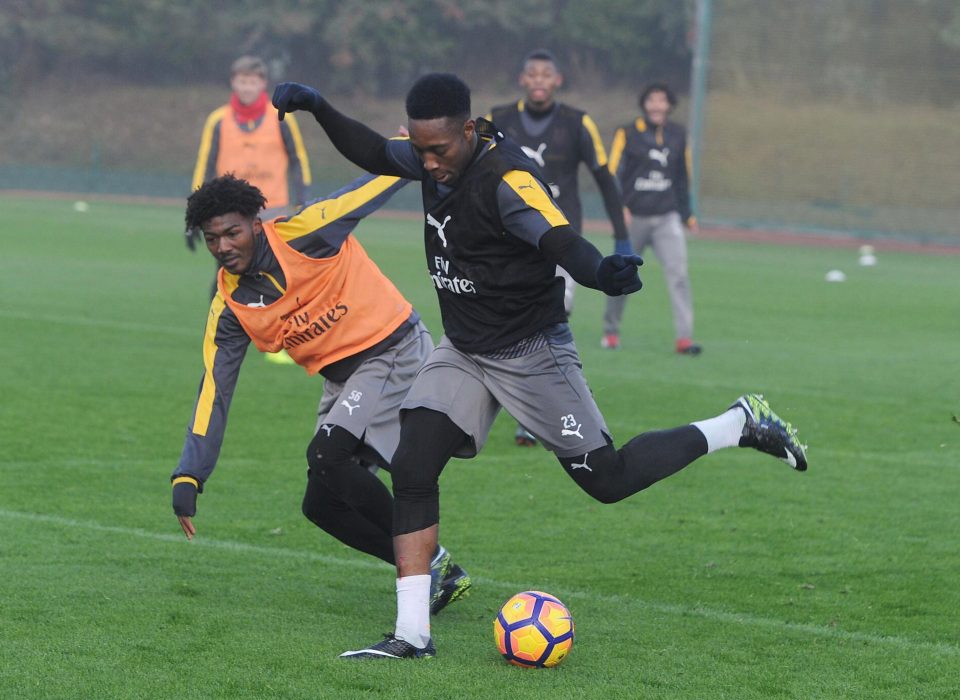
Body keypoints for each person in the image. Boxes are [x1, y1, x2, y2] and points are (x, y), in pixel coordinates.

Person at [272, 73, 808, 660]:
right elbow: (374, 150)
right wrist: (320, 107)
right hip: (464, 350)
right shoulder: (434, 157)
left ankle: (738, 422)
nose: (428, 163)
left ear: (471, 130)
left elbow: (560, 241)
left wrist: (602, 273)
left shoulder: (507, 179)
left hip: (531, 352)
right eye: (420, 151)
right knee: (412, 466)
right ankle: (411, 636)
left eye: (439, 150)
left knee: (608, 480)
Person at [170, 173, 471, 616]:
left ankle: (429, 566)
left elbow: (360, 194)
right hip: (344, 379)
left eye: (231, 232)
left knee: (327, 455)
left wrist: (410, 153)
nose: (223, 246)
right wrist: (190, 472)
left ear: (256, 223)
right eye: (212, 238)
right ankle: (433, 569)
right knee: (321, 504)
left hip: (392, 349)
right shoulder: (230, 304)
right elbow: (214, 387)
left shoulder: (304, 234)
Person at [488, 49, 630, 447]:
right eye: (531, 73)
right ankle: (522, 401)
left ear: (557, 81)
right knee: (507, 319)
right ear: (522, 79)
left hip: (559, 239)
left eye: (545, 74)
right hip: (507, 241)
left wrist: (621, 235)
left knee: (552, 315)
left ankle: (534, 413)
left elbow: (604, 177)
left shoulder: (576, 122)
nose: (538, 79)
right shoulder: (499, 120)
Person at [188, 55, 313, 365]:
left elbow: (298, 159)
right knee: (224, 272)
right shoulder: (218, 120)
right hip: (228, 212)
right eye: (241, 80)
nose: (246, 86)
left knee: (279, 275)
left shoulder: (281, 117)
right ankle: (220, 334)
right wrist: (194, 213)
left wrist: (303, 202)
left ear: (262, 84)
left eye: (252, 81)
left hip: (273, 209)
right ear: (234, 82)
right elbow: (205, 163)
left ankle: (283, 339)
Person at [601, 81, 701, 355]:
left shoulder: (679, 134)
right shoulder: (627, 133)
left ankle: (684, 339)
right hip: (634, 218)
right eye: (652, 100)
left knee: (679, 274)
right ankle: (610, 331)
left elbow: (683, 176)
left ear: (669, 105)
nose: (657, 105)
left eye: (662, 100)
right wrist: (619, 207)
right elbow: (613, 172)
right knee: (622, 273)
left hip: (667, 216)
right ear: (644, 104)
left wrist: (687, 214)